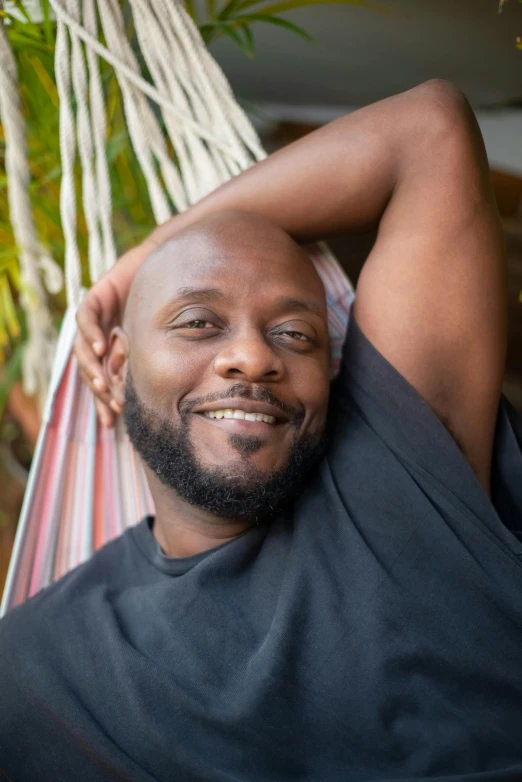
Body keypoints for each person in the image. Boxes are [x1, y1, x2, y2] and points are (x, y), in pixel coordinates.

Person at [1, 79, 522, 781]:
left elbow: (428, 132)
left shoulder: (403, 480)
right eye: (198, 322)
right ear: (118, 363)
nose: (253, 355)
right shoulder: (37, 672)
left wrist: (146, 258)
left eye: (293, 333)